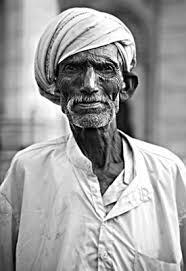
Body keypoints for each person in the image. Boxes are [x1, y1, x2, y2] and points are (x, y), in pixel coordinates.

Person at [0, 7, 186, 271]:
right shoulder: (27, 171)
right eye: (73, 68)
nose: (88, 84)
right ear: (55, 87)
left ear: (126, 87)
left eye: (105, 68)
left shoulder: (168, 172)